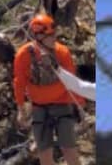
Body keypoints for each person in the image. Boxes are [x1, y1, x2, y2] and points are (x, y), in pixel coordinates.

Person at [12, 13, 83, 165]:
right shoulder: (23, 55)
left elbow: (73, 82)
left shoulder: (62, 52)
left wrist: (79, 106)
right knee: (44, 154)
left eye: (53, 34)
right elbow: (19, 83)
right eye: (49, 35)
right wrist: (21, 109)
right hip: (39, 108)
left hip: (62, 105)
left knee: (69, 150)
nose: (53, 38)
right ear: (38, 36)